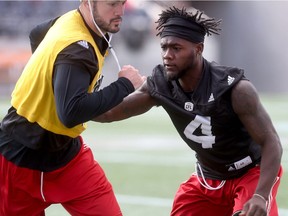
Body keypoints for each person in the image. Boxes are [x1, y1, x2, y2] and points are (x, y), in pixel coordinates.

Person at [95, 6, 283, 216]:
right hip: (208, 178)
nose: (167, 55)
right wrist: (72, 103)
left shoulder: (234, 89)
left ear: (198, 49)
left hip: (249, 173)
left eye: (176, 48)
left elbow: (271, 143)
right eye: (164, 47)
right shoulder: (160, 84)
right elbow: (109, 113)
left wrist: (261, 195)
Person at [0, 0, 145, 215]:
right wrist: (124, 85)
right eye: (112, 4)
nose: (120, 11)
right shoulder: (77, 47)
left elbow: (36, 33)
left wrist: (49, 82)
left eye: (122, 3)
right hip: (20, 159)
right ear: (87, 3)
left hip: (66, 155)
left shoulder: (72, 21)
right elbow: (71, 113)